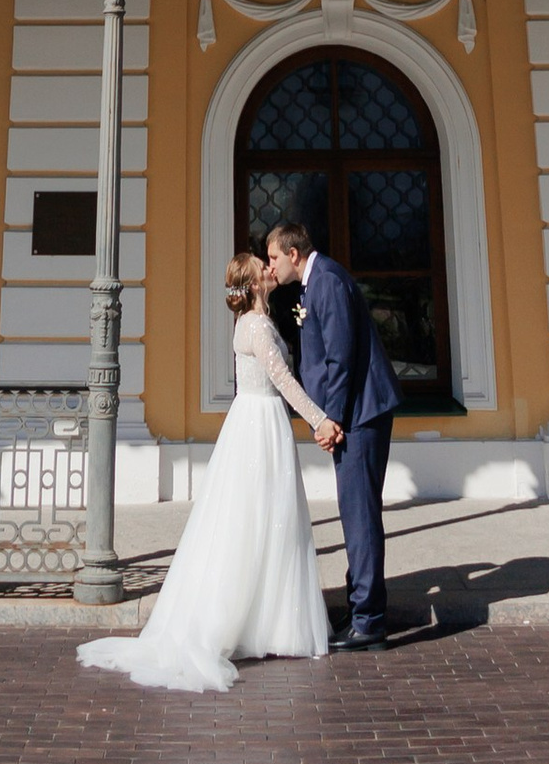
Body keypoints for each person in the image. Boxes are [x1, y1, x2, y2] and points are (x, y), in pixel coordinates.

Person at [75, 251, 339, 694]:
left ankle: (268, 620)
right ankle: (250, 620)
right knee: (257, 520)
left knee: (270, 521)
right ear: (252, 283)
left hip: (260, 423)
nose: (269, 268)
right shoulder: (255, 327)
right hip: (259, 426)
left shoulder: (257, 320)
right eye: (261, 266)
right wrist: (320, 420)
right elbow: (283, 381)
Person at [265, 215, 399, 650]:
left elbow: (340, 356)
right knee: (355, 512)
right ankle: (361, 607)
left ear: (293, 253)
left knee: (360, 515)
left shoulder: (326, 281)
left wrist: (331, 419)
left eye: (273, 257)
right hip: (351, 414)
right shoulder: (315, 282)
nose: (271, 266)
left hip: (358, 414)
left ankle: (369, 621)